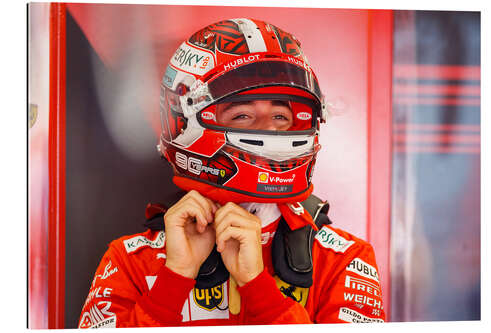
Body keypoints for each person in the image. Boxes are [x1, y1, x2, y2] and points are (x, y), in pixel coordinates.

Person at [78, 18, 386, 328]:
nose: (269, 128)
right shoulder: (130, 262)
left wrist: (258, 287)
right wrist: (173, 280)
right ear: (184, 122)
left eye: (281, 114)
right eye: (242, 115)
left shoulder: (343, 261)